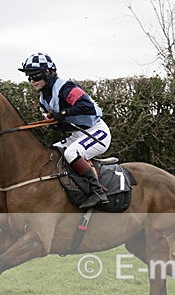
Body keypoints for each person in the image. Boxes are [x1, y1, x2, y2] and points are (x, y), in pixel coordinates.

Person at [18, 52, 110, 208]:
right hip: (79, 134)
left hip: (97, 132)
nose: (32, 81)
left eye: (35, 76)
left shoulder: (65, 87)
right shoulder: (43, 98)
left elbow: (86, 105)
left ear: (48, 73)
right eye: (29, 77)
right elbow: (65, 124)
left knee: (70, 153)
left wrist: (62, 114)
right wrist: (56, 124)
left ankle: (98, 193)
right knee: (54, 152)